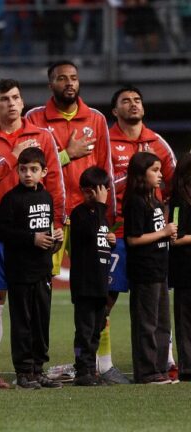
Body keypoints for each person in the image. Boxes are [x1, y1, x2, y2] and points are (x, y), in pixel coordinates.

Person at [26, 61, 120, 382]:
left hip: (90, 217)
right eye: (62, 78)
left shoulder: (96, 119)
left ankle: (100, 365)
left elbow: (105, 168)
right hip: (49, 215)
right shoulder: (34, 119)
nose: (69, 83)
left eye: (74, 78)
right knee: (41, 291)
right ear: (50, 83)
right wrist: (67, 153)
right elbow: (32, 167)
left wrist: (109, 221)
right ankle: (35, 365)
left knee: (96, 291)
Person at [0, 78, 65, 390]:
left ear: (23, 102)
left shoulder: (42, 136)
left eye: (15, 97)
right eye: (4, 98)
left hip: (38, 236)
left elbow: (54, 182)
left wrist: (58, 224)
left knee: (38, 304)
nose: (11, 103)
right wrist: (12, 156)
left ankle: (34, 368)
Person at [109, 85, 177, 382]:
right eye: (126, 100)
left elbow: (174, 183)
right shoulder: (105, 141)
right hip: (118, 237)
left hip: (157, 258)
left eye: (137, 100)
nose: (133, 104)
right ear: (115, 110)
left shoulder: (158, 143)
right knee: (108, 301)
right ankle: (100, 364)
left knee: (160, 315)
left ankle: (164, 365)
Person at [0, 147, 64, 389]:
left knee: (40, 321)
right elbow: (2, 231)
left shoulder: (46, 197)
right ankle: (23, 371)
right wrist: (31, 238)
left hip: (43, 269)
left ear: (44, 172)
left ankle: (38, 368)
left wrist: (56, 238)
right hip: (20, 271)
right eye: (23, 169)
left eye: (34, 170)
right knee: (22, 322)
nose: (28, 174)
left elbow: (47, 227)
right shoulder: (11, 199)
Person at [123, 152, 176, 384]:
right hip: (145, 271)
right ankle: (146, 371)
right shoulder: (135, 201)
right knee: (147, 322)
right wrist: (163, 232)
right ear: (140, 174)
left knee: (162, 322)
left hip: (159, 269)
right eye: (154, 170)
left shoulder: (153, 199)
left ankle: (160, 367)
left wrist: (166, 230)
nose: (160, 174)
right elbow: (133, 239)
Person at [69, 166, 115, 386]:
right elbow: (87, 233)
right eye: (87, 192)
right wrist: (99, 204)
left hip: (99, 284)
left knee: (96, 330)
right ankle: (82, 369)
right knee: (84, 331)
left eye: (95, 192)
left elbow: (99, 244)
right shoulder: (79, 214)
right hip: (84, 284)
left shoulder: (103, 217)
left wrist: (110, 241)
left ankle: (91, 368)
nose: (91, 196)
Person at [169, 153, 191, 382]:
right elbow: (175, 237)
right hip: (184, 269)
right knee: (185, 321)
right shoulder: (178, 201)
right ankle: (187, 367)